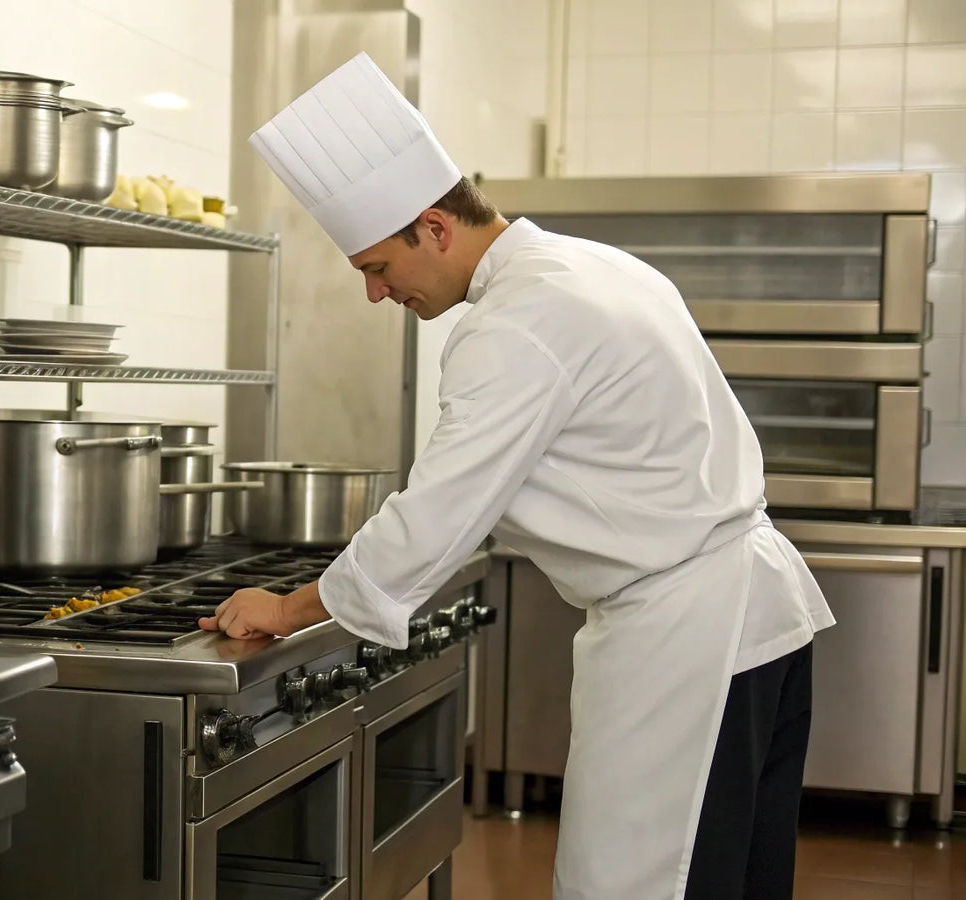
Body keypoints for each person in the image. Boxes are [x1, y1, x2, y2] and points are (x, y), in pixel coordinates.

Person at [198, 52, 833, 900]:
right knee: (740, 877)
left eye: (377, 268)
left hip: (691, 639)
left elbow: (436, 514)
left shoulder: (515, 322)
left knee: (642, 885)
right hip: (757, 614)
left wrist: (287, 609)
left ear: (434, 226)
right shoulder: (593, 265)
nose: (378, 296)